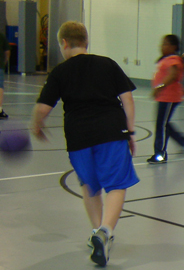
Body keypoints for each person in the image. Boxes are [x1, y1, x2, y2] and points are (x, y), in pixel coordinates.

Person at [31, 21, 139, 266]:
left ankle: (97, 233)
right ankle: (105, 231)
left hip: (78, 137)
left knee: (90, 185)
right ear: (86, 42)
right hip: (111, 131)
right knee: (117, 183)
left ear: (65, 43)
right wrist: (130, 132)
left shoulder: (60, 72)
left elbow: (43, 107)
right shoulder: (107, 64)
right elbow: (128, 98)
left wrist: (36, 123)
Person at [148, 35, 184, 164]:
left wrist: (160, 87)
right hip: (164, 97)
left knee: (161, 124)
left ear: (173, 47)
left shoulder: (174, 60)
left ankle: (160, 153)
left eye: (166, 44)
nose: (162, 46)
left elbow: (172, 75)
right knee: (164, 124)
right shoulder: (166, 59)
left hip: (169, 96)